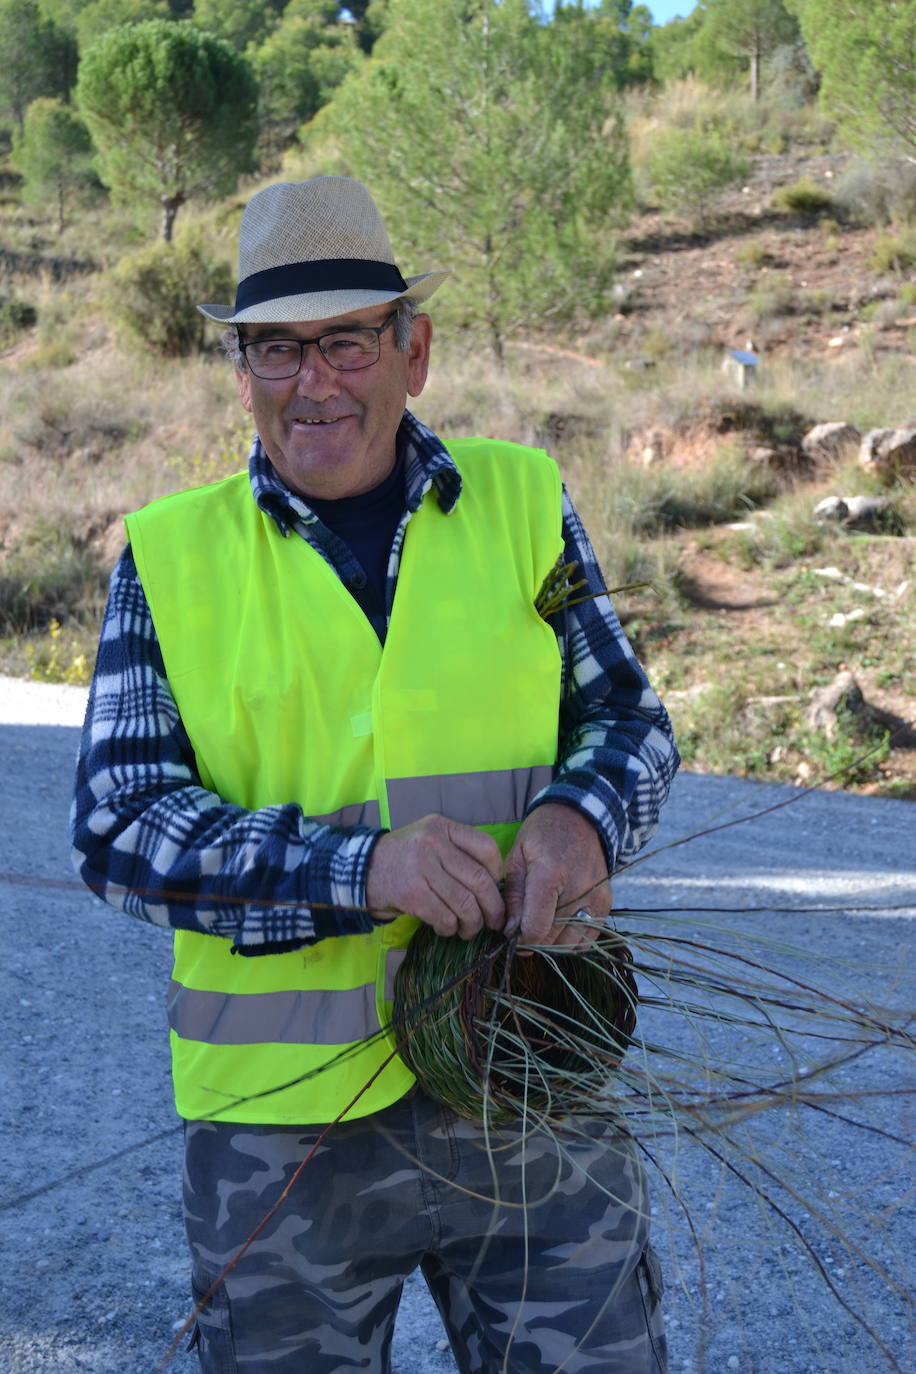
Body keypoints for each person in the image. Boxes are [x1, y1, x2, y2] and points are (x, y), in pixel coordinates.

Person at [71, 176, 678, 1374]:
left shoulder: (523, 502)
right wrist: (359, 869)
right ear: (240, 369)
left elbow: (624, 715)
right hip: (284, 1136)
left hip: (529, 1077)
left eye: (346, 340)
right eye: (274, 350)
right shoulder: (169, 554)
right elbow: (119, 825)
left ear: (416, 350)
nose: (314, 382)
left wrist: (578, 822)